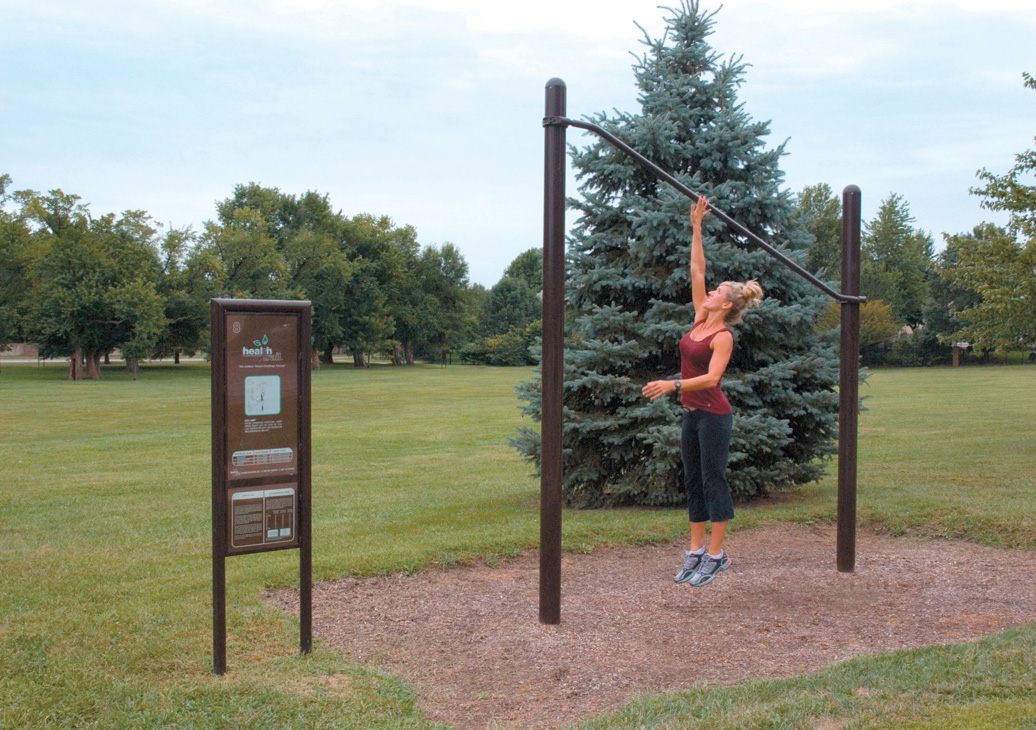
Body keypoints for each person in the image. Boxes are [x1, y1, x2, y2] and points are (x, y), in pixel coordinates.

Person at [641, 196, 764, 587]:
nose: (709, 291)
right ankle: (695, 552)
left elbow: (712, 379)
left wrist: (672, 384)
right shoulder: (699, 319)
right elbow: (697, 268)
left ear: (726, 303)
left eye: (716, 291)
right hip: (692, 414)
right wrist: (696, 227)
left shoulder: (724, 334)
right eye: (710, 290)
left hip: (714, 415)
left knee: (714, 480)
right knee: (693, 480)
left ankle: (717, 555)